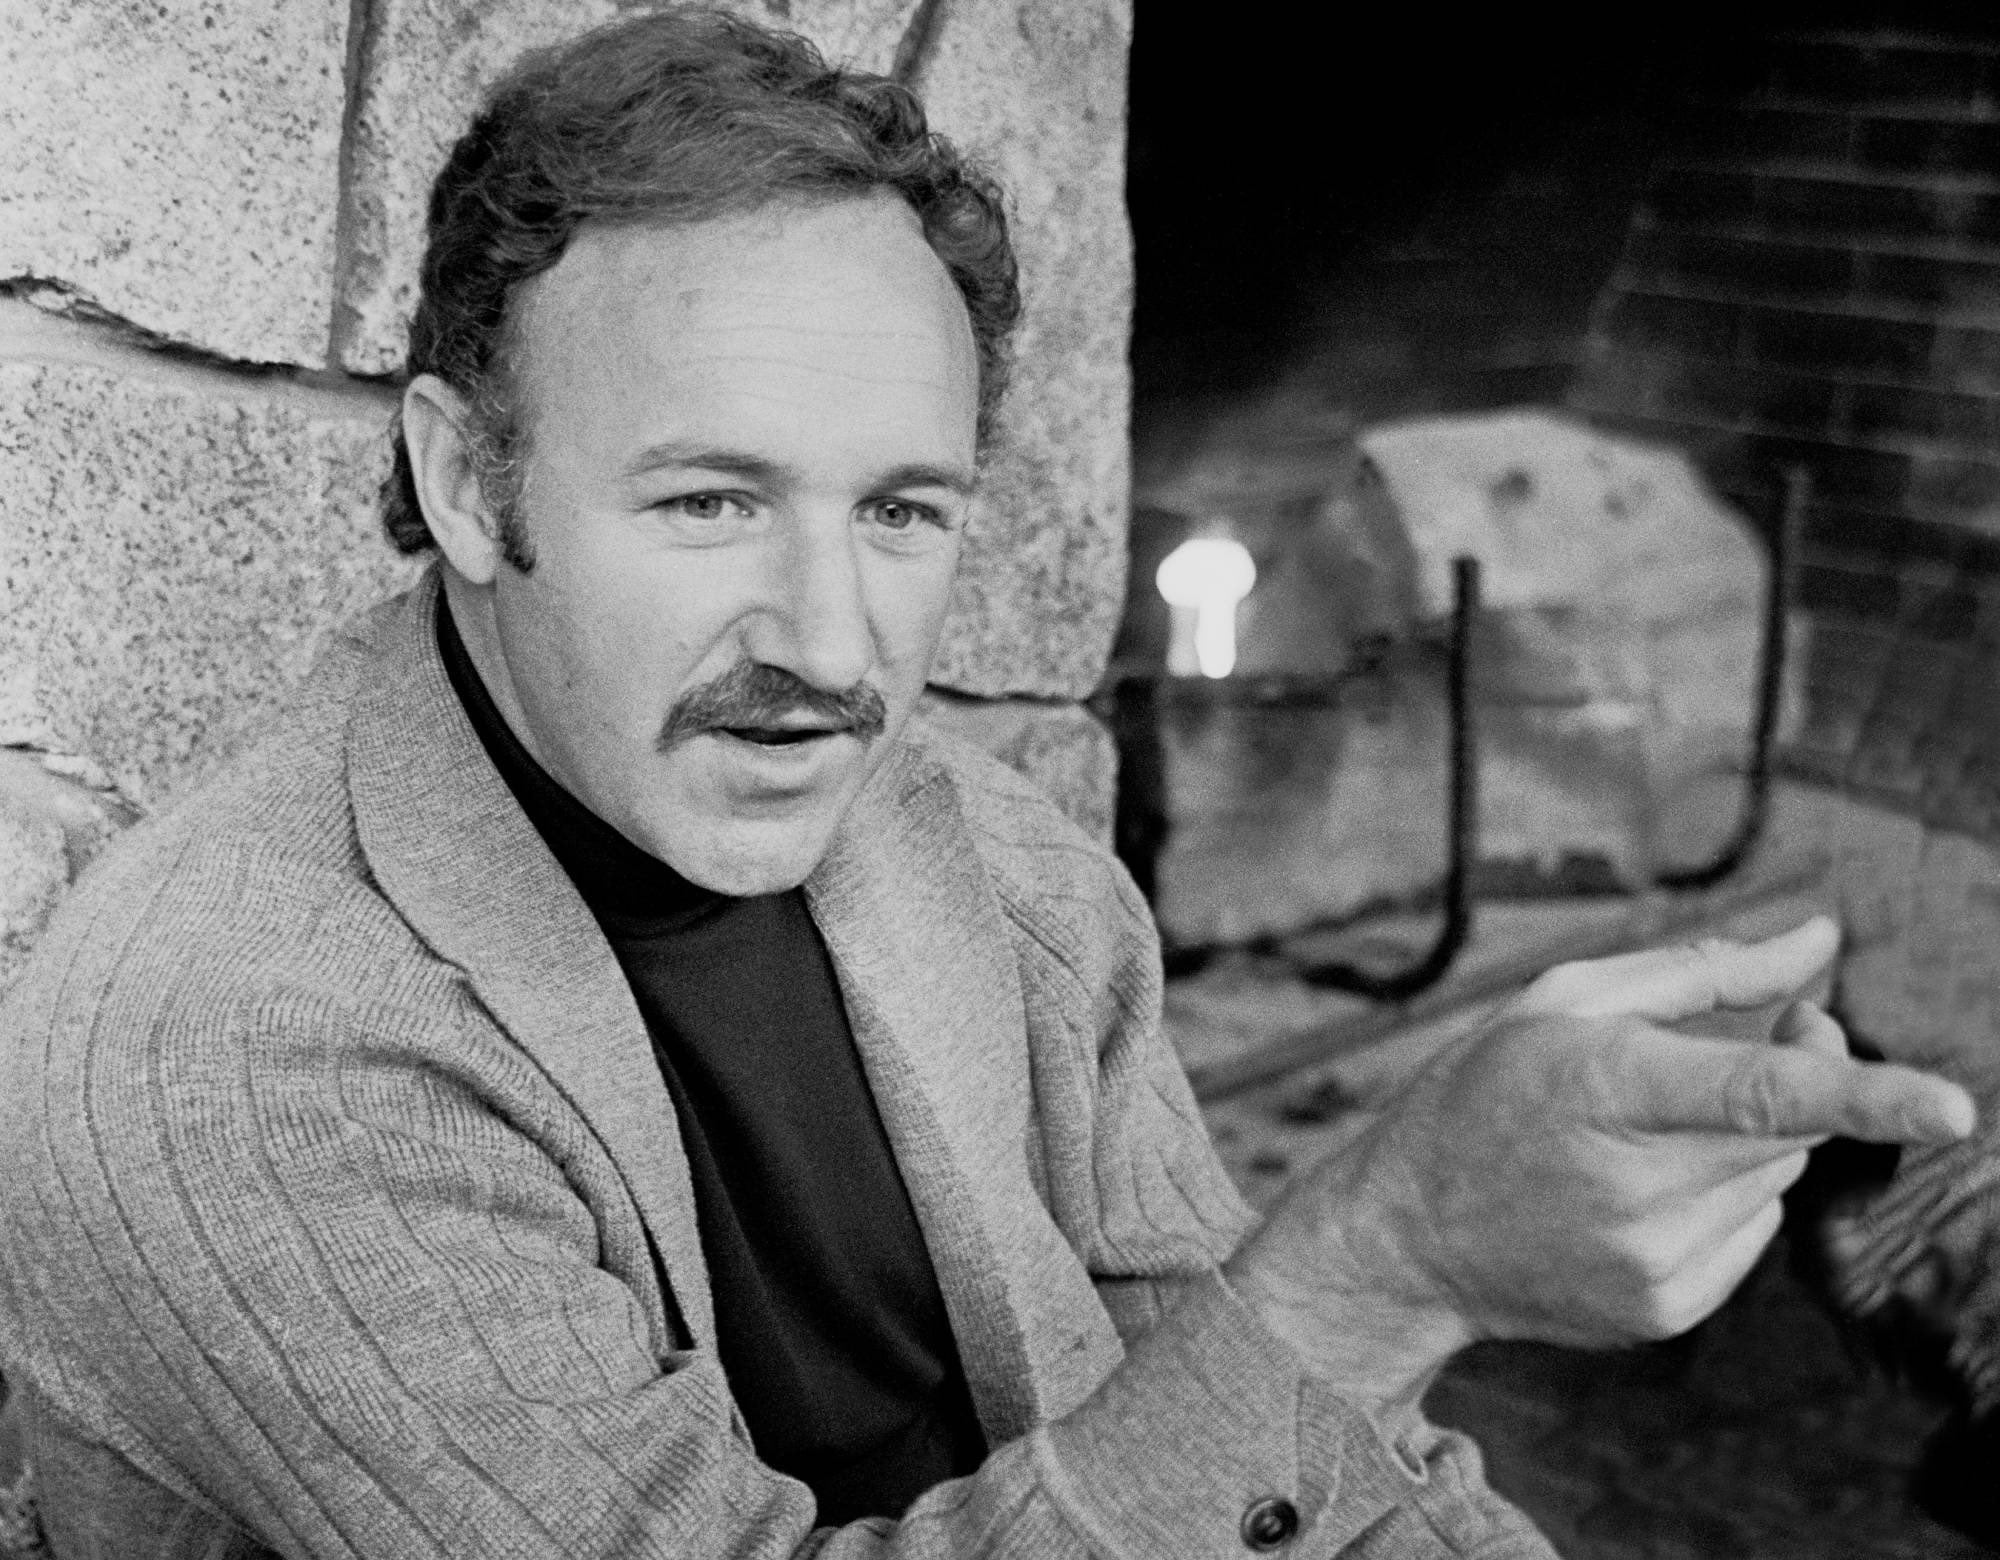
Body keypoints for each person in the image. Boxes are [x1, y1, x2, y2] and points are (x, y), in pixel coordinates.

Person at [0, 8, 1976, 1557]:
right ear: (463, 478)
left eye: (901, 512)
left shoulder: (1004, 870)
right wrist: (1397, 1257)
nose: (833, 646)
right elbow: (1310, 1346)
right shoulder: (240, 1039)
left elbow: (1277, 1425)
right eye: (709, 501)